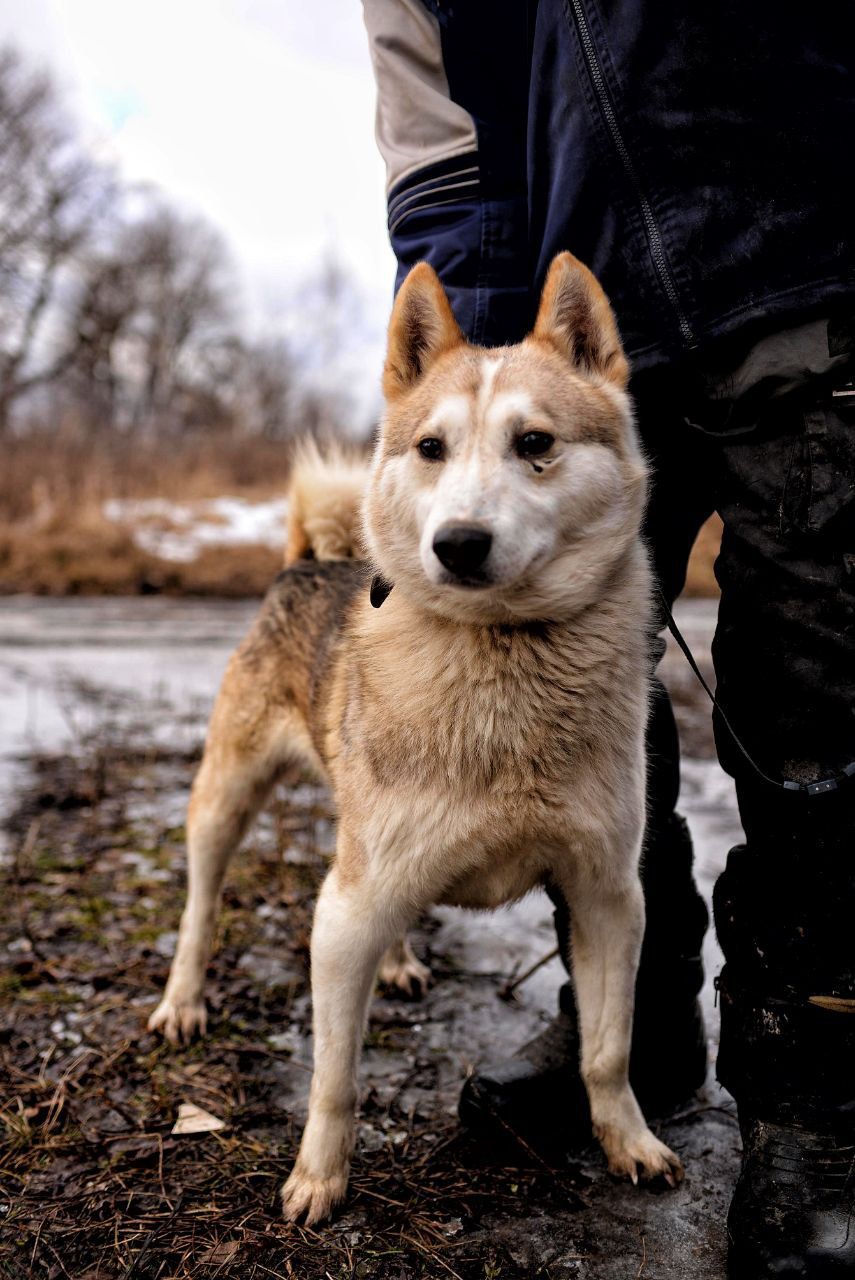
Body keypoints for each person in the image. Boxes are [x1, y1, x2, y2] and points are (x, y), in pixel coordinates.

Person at [363, 2, 855, 1276]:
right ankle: (630, 1026)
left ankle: (819, 1106)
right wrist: (461, 402)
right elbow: (436, 138)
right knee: (577, 690)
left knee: (822, 695)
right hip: (569, 314)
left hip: (804, 250)